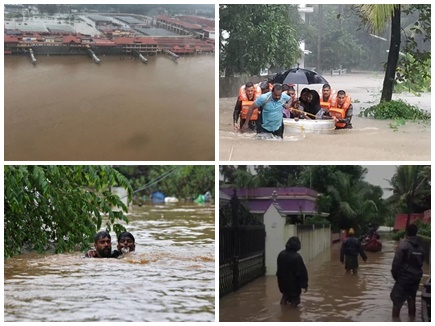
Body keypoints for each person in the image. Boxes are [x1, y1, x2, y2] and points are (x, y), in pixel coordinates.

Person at [390, 224, 425, 319]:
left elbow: (396, 264)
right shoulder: (421, 247)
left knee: (397, 300)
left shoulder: (403, 245)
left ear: (406, 232)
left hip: (404, 278)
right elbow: (420, 263)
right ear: (416, 233)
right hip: (415, 278)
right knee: (411, 298)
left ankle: (395, 320)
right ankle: (412, 320)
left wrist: (397, 277)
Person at [276, 236, 308, 307]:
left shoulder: (281, 254)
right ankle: (292, 316)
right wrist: (304, 285)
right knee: (295, 302)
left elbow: (279, 270)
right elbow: (302, 273)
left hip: (283, 284)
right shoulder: (297, 257)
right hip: (294, 286)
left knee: (284, 297)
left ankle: (283, 313)